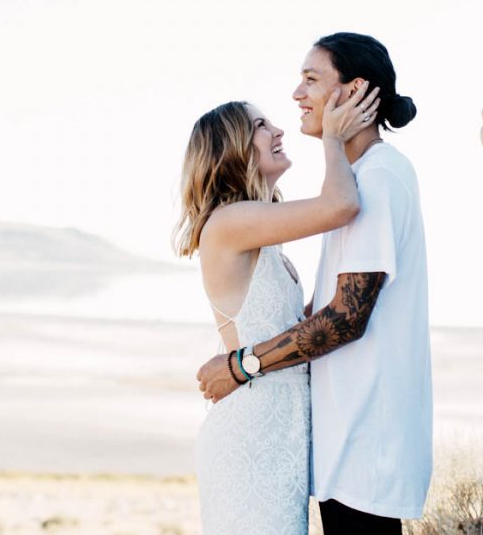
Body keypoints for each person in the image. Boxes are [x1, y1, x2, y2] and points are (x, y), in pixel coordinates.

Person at [197, 33, 433, 535]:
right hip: (331, 440)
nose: (297, 95)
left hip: (363, 440)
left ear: (353, 92)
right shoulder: (353, 179)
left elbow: (345, 318)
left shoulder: (376, 179)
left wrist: (242, 364)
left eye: (311, 79)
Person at [174, 82, 380, 534]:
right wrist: (331, 135)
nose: (278, 130)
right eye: (260, 125)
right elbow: (342, 204)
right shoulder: (230, 222)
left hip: (279, 438)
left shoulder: (259, 231)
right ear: (232, 148)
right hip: (249, 437)